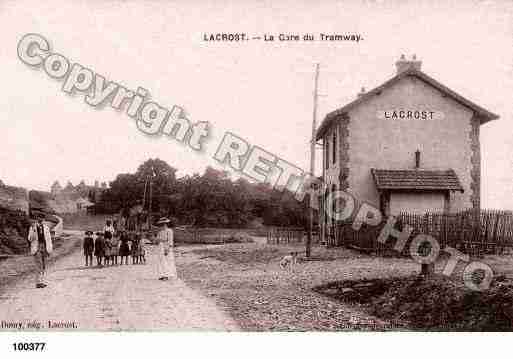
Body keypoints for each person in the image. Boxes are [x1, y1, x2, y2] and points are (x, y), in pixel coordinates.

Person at [27, 213, 53, 288]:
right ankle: (38, 282)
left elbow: (49, 239)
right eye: (39, 218)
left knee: (44, 265)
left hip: (44, 248)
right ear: (37, 218)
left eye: (42, 218)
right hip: (37, 248)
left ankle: (42, 281)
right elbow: (30, 238)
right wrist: (33, 230)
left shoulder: (46, 228)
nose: (40, 219)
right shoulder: (33, 227)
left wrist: (49, 249)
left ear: (44, 219)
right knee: (39, 265)